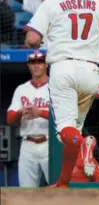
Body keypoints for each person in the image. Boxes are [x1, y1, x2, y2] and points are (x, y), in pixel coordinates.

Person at [24, 0, 99, 188]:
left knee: (65, 133)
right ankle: (63, 182)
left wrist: (35, 38)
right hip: (91, 71)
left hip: (64, 69)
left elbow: (33, 39)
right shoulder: (95, 3)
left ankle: (84, 144)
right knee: (71, 133)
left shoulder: (51, 3)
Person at [6, 50, 49, 187]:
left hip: (50, 144)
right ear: (29, 66)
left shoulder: (56, 87)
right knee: (26, 190)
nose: (36, 66)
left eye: (40, 62)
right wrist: (20, 113)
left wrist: (40, 112)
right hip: (28, 145)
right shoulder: (21, 89)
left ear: (46, 64)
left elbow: (63, 116)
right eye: (33, 63)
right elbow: (9, 119)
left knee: (58, 189)